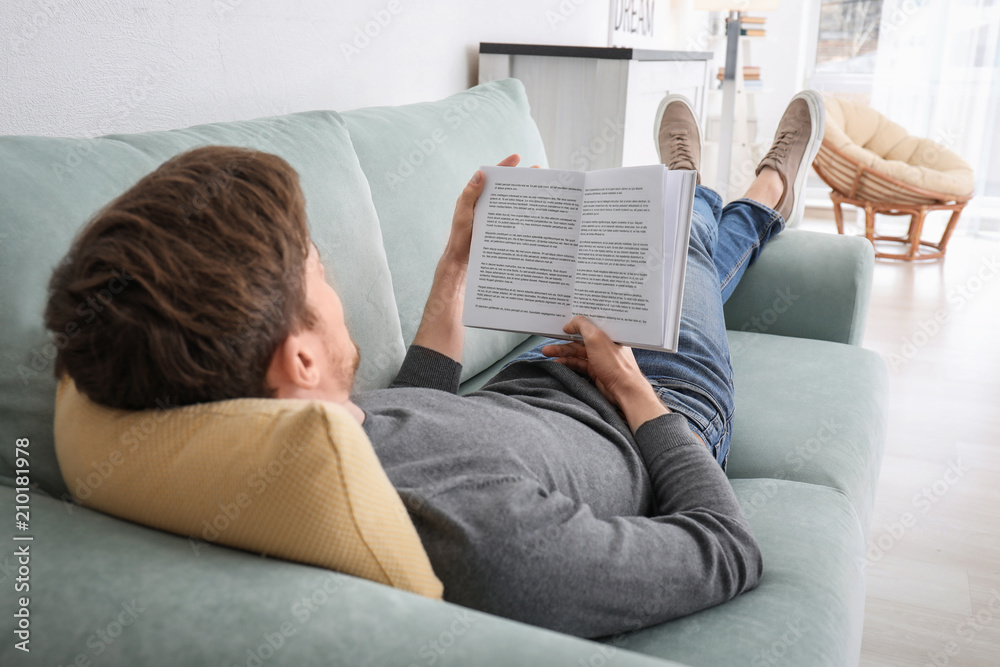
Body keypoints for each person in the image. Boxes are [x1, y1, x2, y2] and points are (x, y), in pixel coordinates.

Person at [44, 90, 825, 638]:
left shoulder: (284, 431)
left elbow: (420, 426)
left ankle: (710, 190)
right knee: (680, 249)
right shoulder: (496, 546)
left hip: (547, 376)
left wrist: (456, 266)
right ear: (302, 356)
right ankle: (742, 187)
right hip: (662, 409)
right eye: (317, 269)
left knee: (677, 262)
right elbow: (727, 548)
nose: (332, 278)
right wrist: (625, 379)